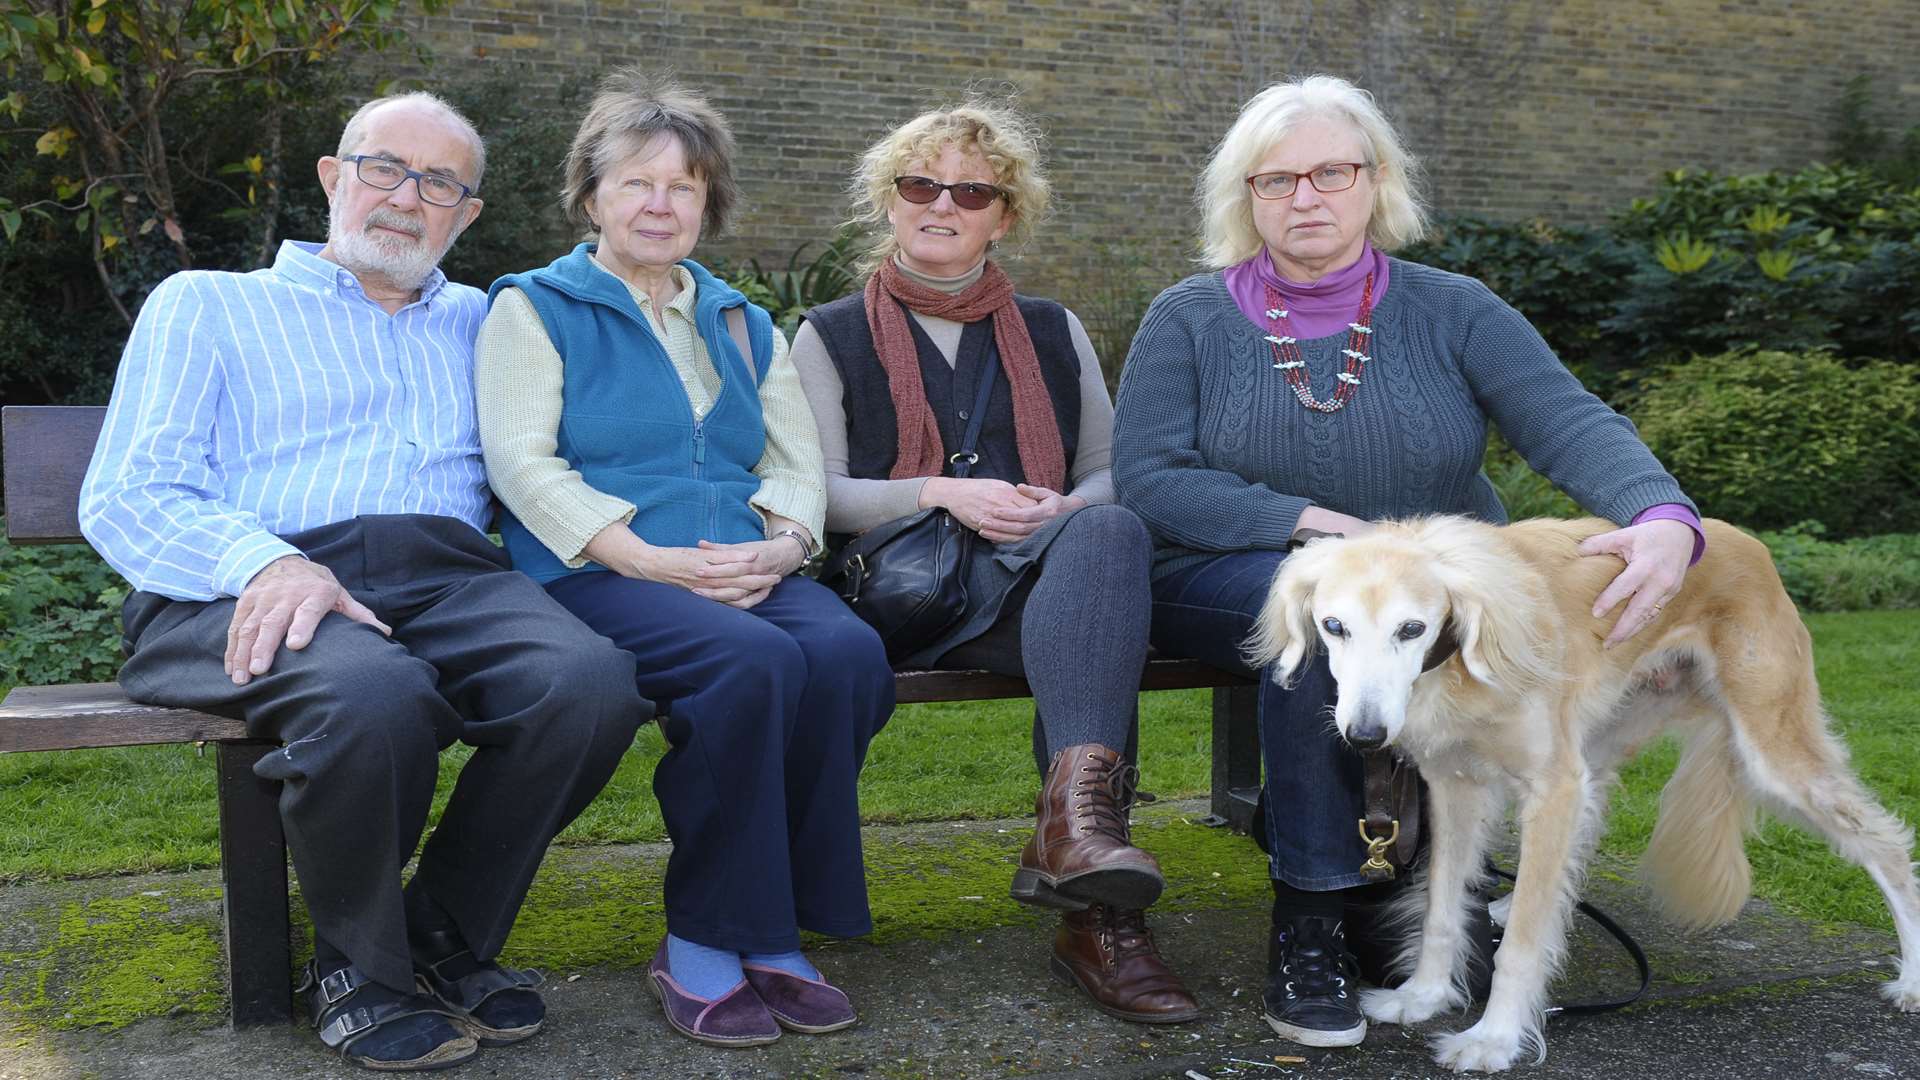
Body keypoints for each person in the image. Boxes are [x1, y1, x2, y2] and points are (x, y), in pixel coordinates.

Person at [1112, 74, 1704, 1049]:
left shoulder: (1454, 310)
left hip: (1429, 584)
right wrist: (1312, 524)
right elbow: (1148, 476)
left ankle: (1418, 893)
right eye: (1276, 180)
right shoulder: (1188, 316)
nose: (1305, 197)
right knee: (1326, 634)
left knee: (1412, 627)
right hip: (1225, 572)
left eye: (1331, 172)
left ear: (1375, 180)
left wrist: (1663, 514)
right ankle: (1311, 916)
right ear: (1245, 195)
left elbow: (1568, 421)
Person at [77, 93, 646, 1071]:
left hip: (452, 577)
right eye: (383, 168)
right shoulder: (209, 302)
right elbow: (128, 494)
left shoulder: (488, 318)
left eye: (438, 183)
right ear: (335, 179)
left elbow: (614, 402)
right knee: (371, 694)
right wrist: (270, 560)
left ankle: (441, 933)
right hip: (241, 575)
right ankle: (360, 970)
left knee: (589, 687)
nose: (404, 197)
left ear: (465, 214)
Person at [474, 69, 894, 1048]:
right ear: (591, 197)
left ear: (709, 203)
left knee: (844, 657)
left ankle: (771, 922)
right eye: (637, 183)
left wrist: (784, 549)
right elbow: (523, 464)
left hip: (743, 566)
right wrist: (648, 561)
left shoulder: (742, 320)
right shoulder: (532, 309)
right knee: (747, 664)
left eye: (685, 187)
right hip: (595, 576)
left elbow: (794, 461)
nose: (661, 204)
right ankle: (710, 935)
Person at [791, 100, 1200, 1024]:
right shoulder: (827, 332)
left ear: (1004, 215)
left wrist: (1061, 508)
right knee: (1103, 592)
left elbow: (1108, 476)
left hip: (1037, 592)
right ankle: (1095, 909)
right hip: (904, 595)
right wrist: (941, 492)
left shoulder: (1054, 330)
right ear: (889, 202)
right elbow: (815, 492)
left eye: (971, 190)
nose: (944, 204)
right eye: (920, 184)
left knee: (1105, 540)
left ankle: (1085, 868)